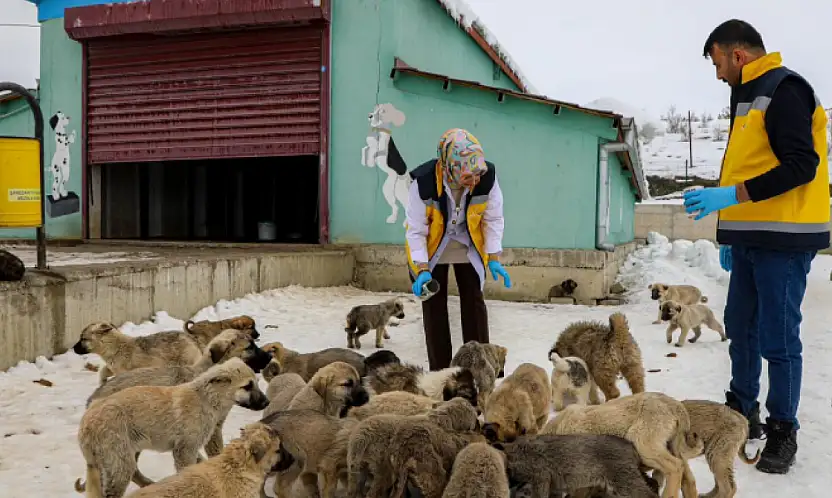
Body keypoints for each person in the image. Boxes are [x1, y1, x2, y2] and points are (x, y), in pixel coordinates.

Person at [686, 19, 829, 474]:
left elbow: (801, 165)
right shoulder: (746, 93)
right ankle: (742, 411)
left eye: (716, 62)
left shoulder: (785, 89)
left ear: (737, 54)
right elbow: (747, 165)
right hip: (750, 236)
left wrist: (730, 198)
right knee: (739, 326)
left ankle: (782, 427)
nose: (717, 73)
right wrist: (729, 230)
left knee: (777, 336)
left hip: (784, 239)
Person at [405, 128, 511, 371]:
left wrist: (493, 256)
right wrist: (421, 269)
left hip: (468, 242)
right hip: (434, 244)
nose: (474, 181)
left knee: (474, 300)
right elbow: (416, 230)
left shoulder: (487, 177)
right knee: (434, 305)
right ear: (450, 166)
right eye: (467, 176)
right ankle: (441, 373)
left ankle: (479, 369)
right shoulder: (423, 182)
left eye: (477, 174)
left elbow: (493, 219)